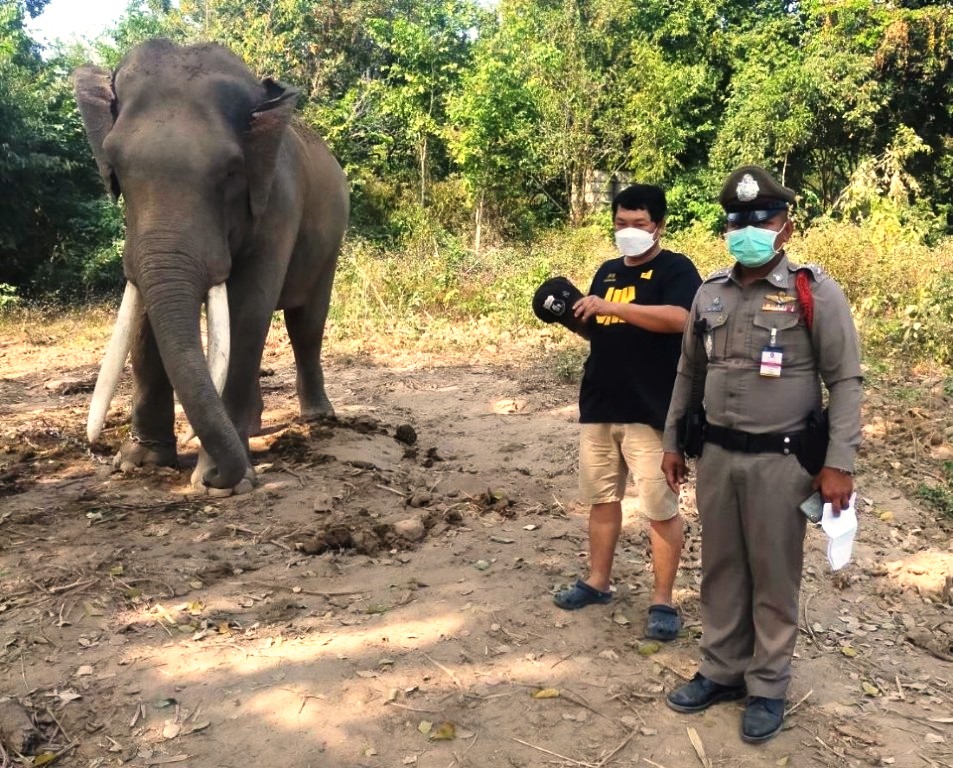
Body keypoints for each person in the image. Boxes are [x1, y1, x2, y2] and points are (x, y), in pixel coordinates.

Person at [660, 166, 862, 743]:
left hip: (783, 460)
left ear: (786, 227)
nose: (747, 229)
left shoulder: (813, 291)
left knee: (774, 573)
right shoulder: (710, 292)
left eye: (761, 219)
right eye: (736, 220)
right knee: (721, 567)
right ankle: (722, 669)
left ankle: (768, 684)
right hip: (717, 456)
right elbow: (688, 373)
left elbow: (844, 380)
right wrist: (674, 440)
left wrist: (839, 462)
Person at [552, 184, 702, 643]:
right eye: (621, 224)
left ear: (658, 224)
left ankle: (662, 600)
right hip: (601, 403)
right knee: (601, 499)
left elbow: (682, 319)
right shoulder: (608, 272)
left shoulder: (676, 269)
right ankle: (598, 581)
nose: (628, 232)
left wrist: (615, 306)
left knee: (659, 509)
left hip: (651, 410)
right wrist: (574, 316)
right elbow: (602, 331)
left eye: (638, 224)